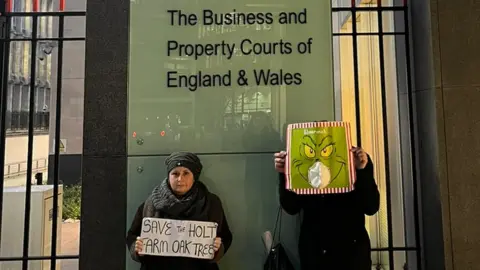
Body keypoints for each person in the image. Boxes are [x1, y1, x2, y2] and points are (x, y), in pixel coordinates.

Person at [274, 147, 380, 270]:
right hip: (315, 253)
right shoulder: (302, 161)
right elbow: (291, 206)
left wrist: (361, 170)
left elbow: (371, 207)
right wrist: (285, 174)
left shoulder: (356, 158)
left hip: (351, 252)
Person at [126, 152, 233, 270]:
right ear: (169, 175)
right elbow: (133, 235)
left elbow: (225, 236)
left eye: (186, 173)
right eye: (175, 174)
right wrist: (137, 248)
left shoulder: (211, 202)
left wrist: (218, 247)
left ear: (195, 176)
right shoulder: (151, 202)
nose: (180, 179)